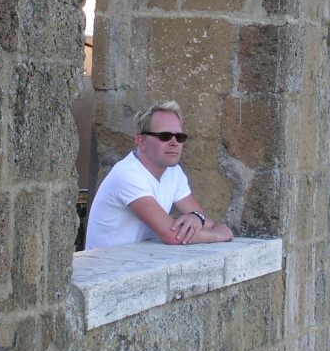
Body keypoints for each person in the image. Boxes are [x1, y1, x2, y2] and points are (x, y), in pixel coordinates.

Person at [85, 100, 234, 250]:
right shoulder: (128, 174)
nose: (174, 142)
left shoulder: (173, 172)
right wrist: (218, 235)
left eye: (180, 137)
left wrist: (196, 217)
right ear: (142, 142)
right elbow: (173, 236)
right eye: (165, 136)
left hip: (138, 260)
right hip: (109, 263)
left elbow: (207, 223)